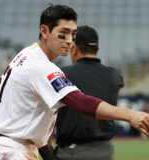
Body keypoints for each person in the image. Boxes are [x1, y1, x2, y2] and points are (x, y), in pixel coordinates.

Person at [0, 4, 149, 160]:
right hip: (11, 149)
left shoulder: (29, 53)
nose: (70, 40)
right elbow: (79, 102)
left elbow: (38, 133)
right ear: (44, 31)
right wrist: (130, 115)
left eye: (73, 34)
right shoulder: (41, 66)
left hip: (9, 145)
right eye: (63, 33)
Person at [53, 25, 124, 160]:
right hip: (106, 151)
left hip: (72, 152)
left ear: (74, 49)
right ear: (96, 49)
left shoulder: (62, 75)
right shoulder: (114, 75)